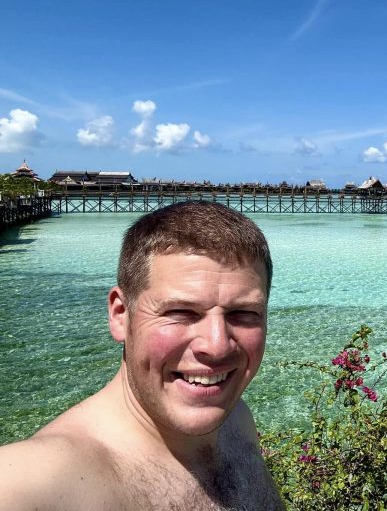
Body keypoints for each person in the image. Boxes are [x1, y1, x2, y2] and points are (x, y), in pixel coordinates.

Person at [0, 201, 285, 510]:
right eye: (180, 312)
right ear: (121, 315)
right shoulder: (33, 482)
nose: (216, 345)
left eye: (244, 313)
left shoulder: (236, 420)